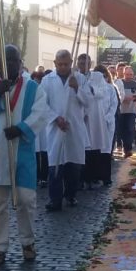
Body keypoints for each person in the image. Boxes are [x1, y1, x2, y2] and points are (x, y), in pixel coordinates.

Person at [0, 44, 49, 266]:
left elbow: (40, 113)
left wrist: (22, 129)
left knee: (26, 199)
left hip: (21, 151)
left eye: (14, 60)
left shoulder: (33, 88)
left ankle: (28, 242)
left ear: (20, 62)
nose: (11, 65)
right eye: (6, 61)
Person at [40, 50, 93, 211]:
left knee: (73, 166)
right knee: (55, 165)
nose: (63, 67)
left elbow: (89, 102)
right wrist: (55, 118)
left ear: (71, 63)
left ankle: (70, 195)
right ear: (55, 64)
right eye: (60, 64)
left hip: (74, 127)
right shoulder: (47, 80)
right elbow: (42, 104)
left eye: (66, 64)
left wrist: (77, 89)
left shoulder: (80, 78)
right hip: (55, 128)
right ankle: (54, 199)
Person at [77, 54, 110, 189]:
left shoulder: (97, 76)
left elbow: (102, 92)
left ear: (90, 64)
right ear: (77, 63)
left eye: (86, 62)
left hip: (94, 115)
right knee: (80, 148)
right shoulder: (75, 76)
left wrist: (91, 88)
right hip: (79, 114)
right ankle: (81, 178)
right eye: (81, 62)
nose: (84, 65)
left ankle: (93, 177)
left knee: (94, 147)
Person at [94, 64, 119, 186]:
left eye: (104, 76)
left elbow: (114, 105)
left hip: (107, 123)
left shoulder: (110, 89)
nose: (102, 79)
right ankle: (95, 176)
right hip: (94, 124)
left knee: (106, 151)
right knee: (95, 150)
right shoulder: (91, 89)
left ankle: (106, 177)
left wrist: (107, 118)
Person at [115, 66, 136, 157]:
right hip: (121, 111)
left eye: (131, 74)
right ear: (123, 74)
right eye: (127, 74)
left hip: (131, 111)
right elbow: (116, 96)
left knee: (130, 129)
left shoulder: (135, 84)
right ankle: (123, 147)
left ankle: (128, 149)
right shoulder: (119, 83)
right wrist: (124, 98)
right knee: (121, 130)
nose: (129, 76)